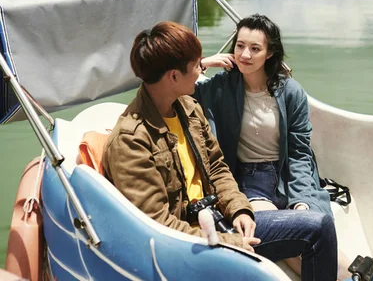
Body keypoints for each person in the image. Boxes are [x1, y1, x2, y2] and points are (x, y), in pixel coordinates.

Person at [102, 21, 338, 281]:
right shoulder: (131, 140)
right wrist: (229, 242)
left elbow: (216, 168)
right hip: (188, 244)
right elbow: (157, 225)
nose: (201, 71)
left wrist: (239, 210)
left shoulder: (189, 109)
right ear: (173, 76)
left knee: (318, 225)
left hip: (218, 220)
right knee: (314, 233)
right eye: (196, 65)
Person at [195, 14, 351, 280]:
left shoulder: (290, 92)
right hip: (249, 182)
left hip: (288, 178)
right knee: (298, 243)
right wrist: (202, 64)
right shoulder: (221, 87)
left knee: (342, 265)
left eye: (255, 48)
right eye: (240, 45)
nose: (245, 54)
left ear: (269, 53)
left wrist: (302, 200)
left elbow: (300, 154)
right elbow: (177, 88)